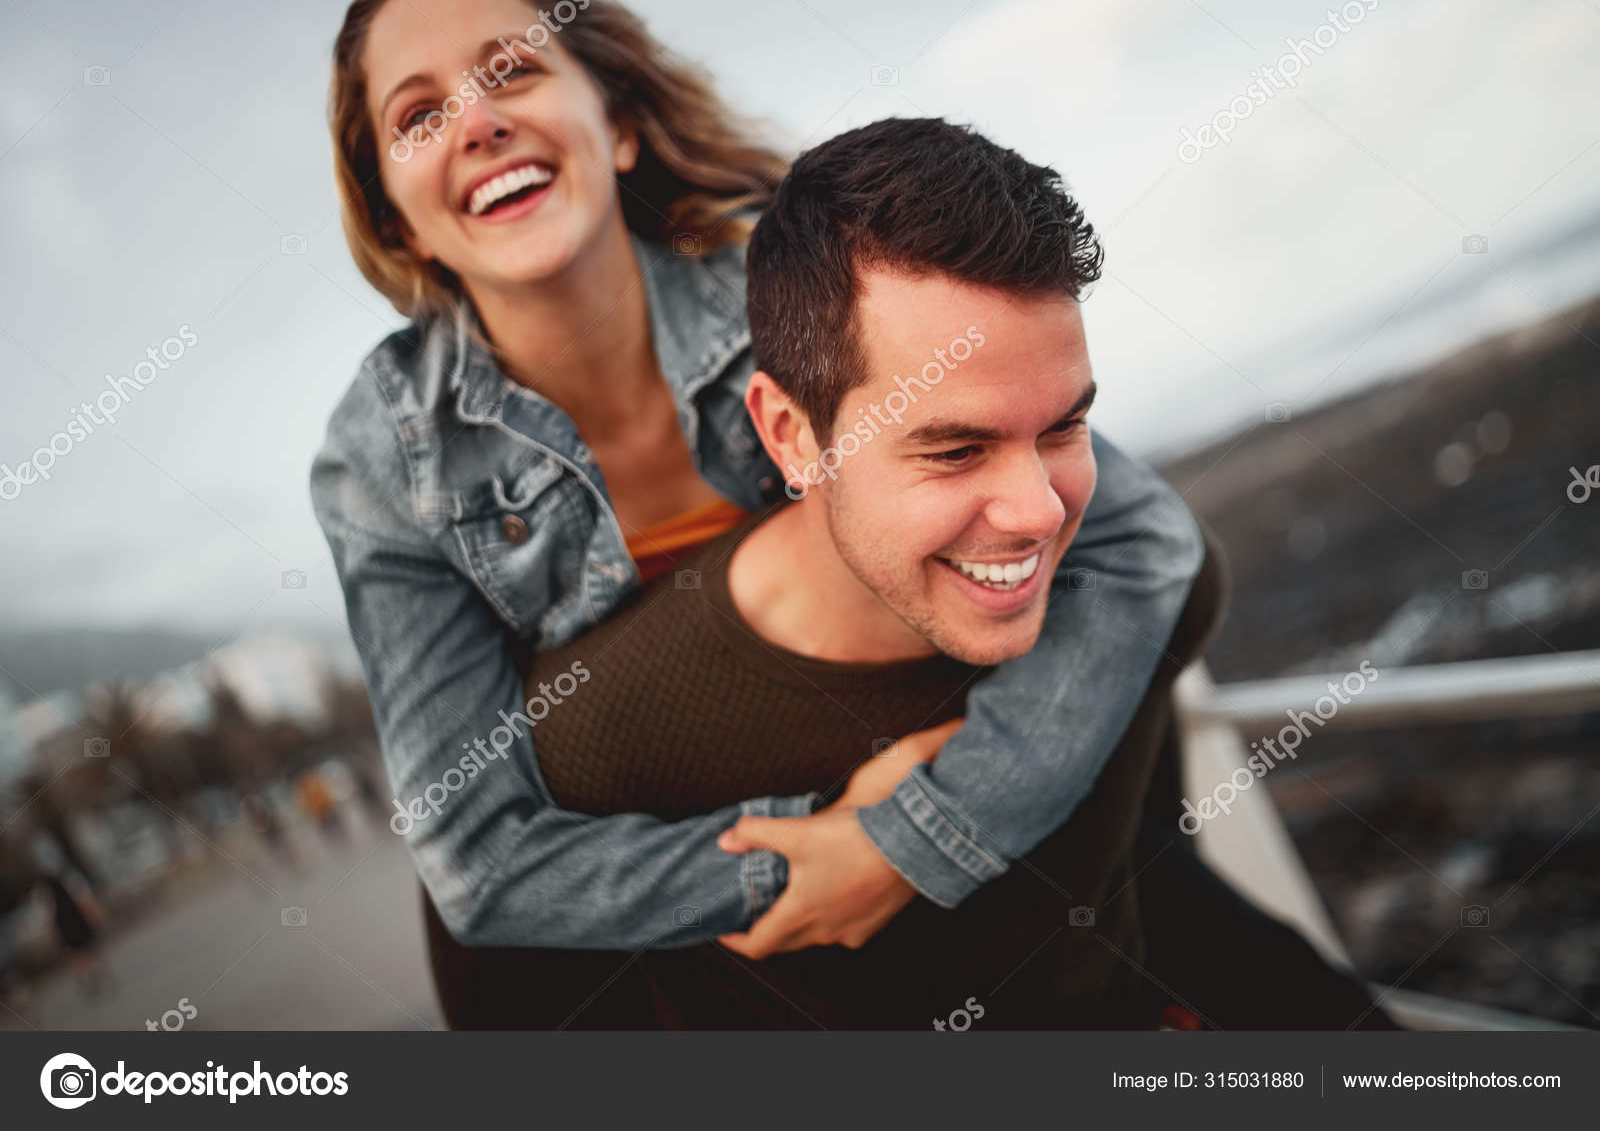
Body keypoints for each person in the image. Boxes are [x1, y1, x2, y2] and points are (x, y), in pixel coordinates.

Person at [311, 0, 1202, 956]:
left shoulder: (787, 293)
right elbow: (477, 860)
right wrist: (822, 858)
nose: (476, 123)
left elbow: (1141, 535)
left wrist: (925, 835)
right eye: (418, 115)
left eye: (512, 71)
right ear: (393, 214)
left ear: (617, 125)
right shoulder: (382, 459)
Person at [419, 117, 1388, 1029]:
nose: (1043, 514)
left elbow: (1146, 880)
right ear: (791, 436)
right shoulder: (581, 755)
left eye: (1062, 426)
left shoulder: (1130, 591)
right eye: (954, 451)